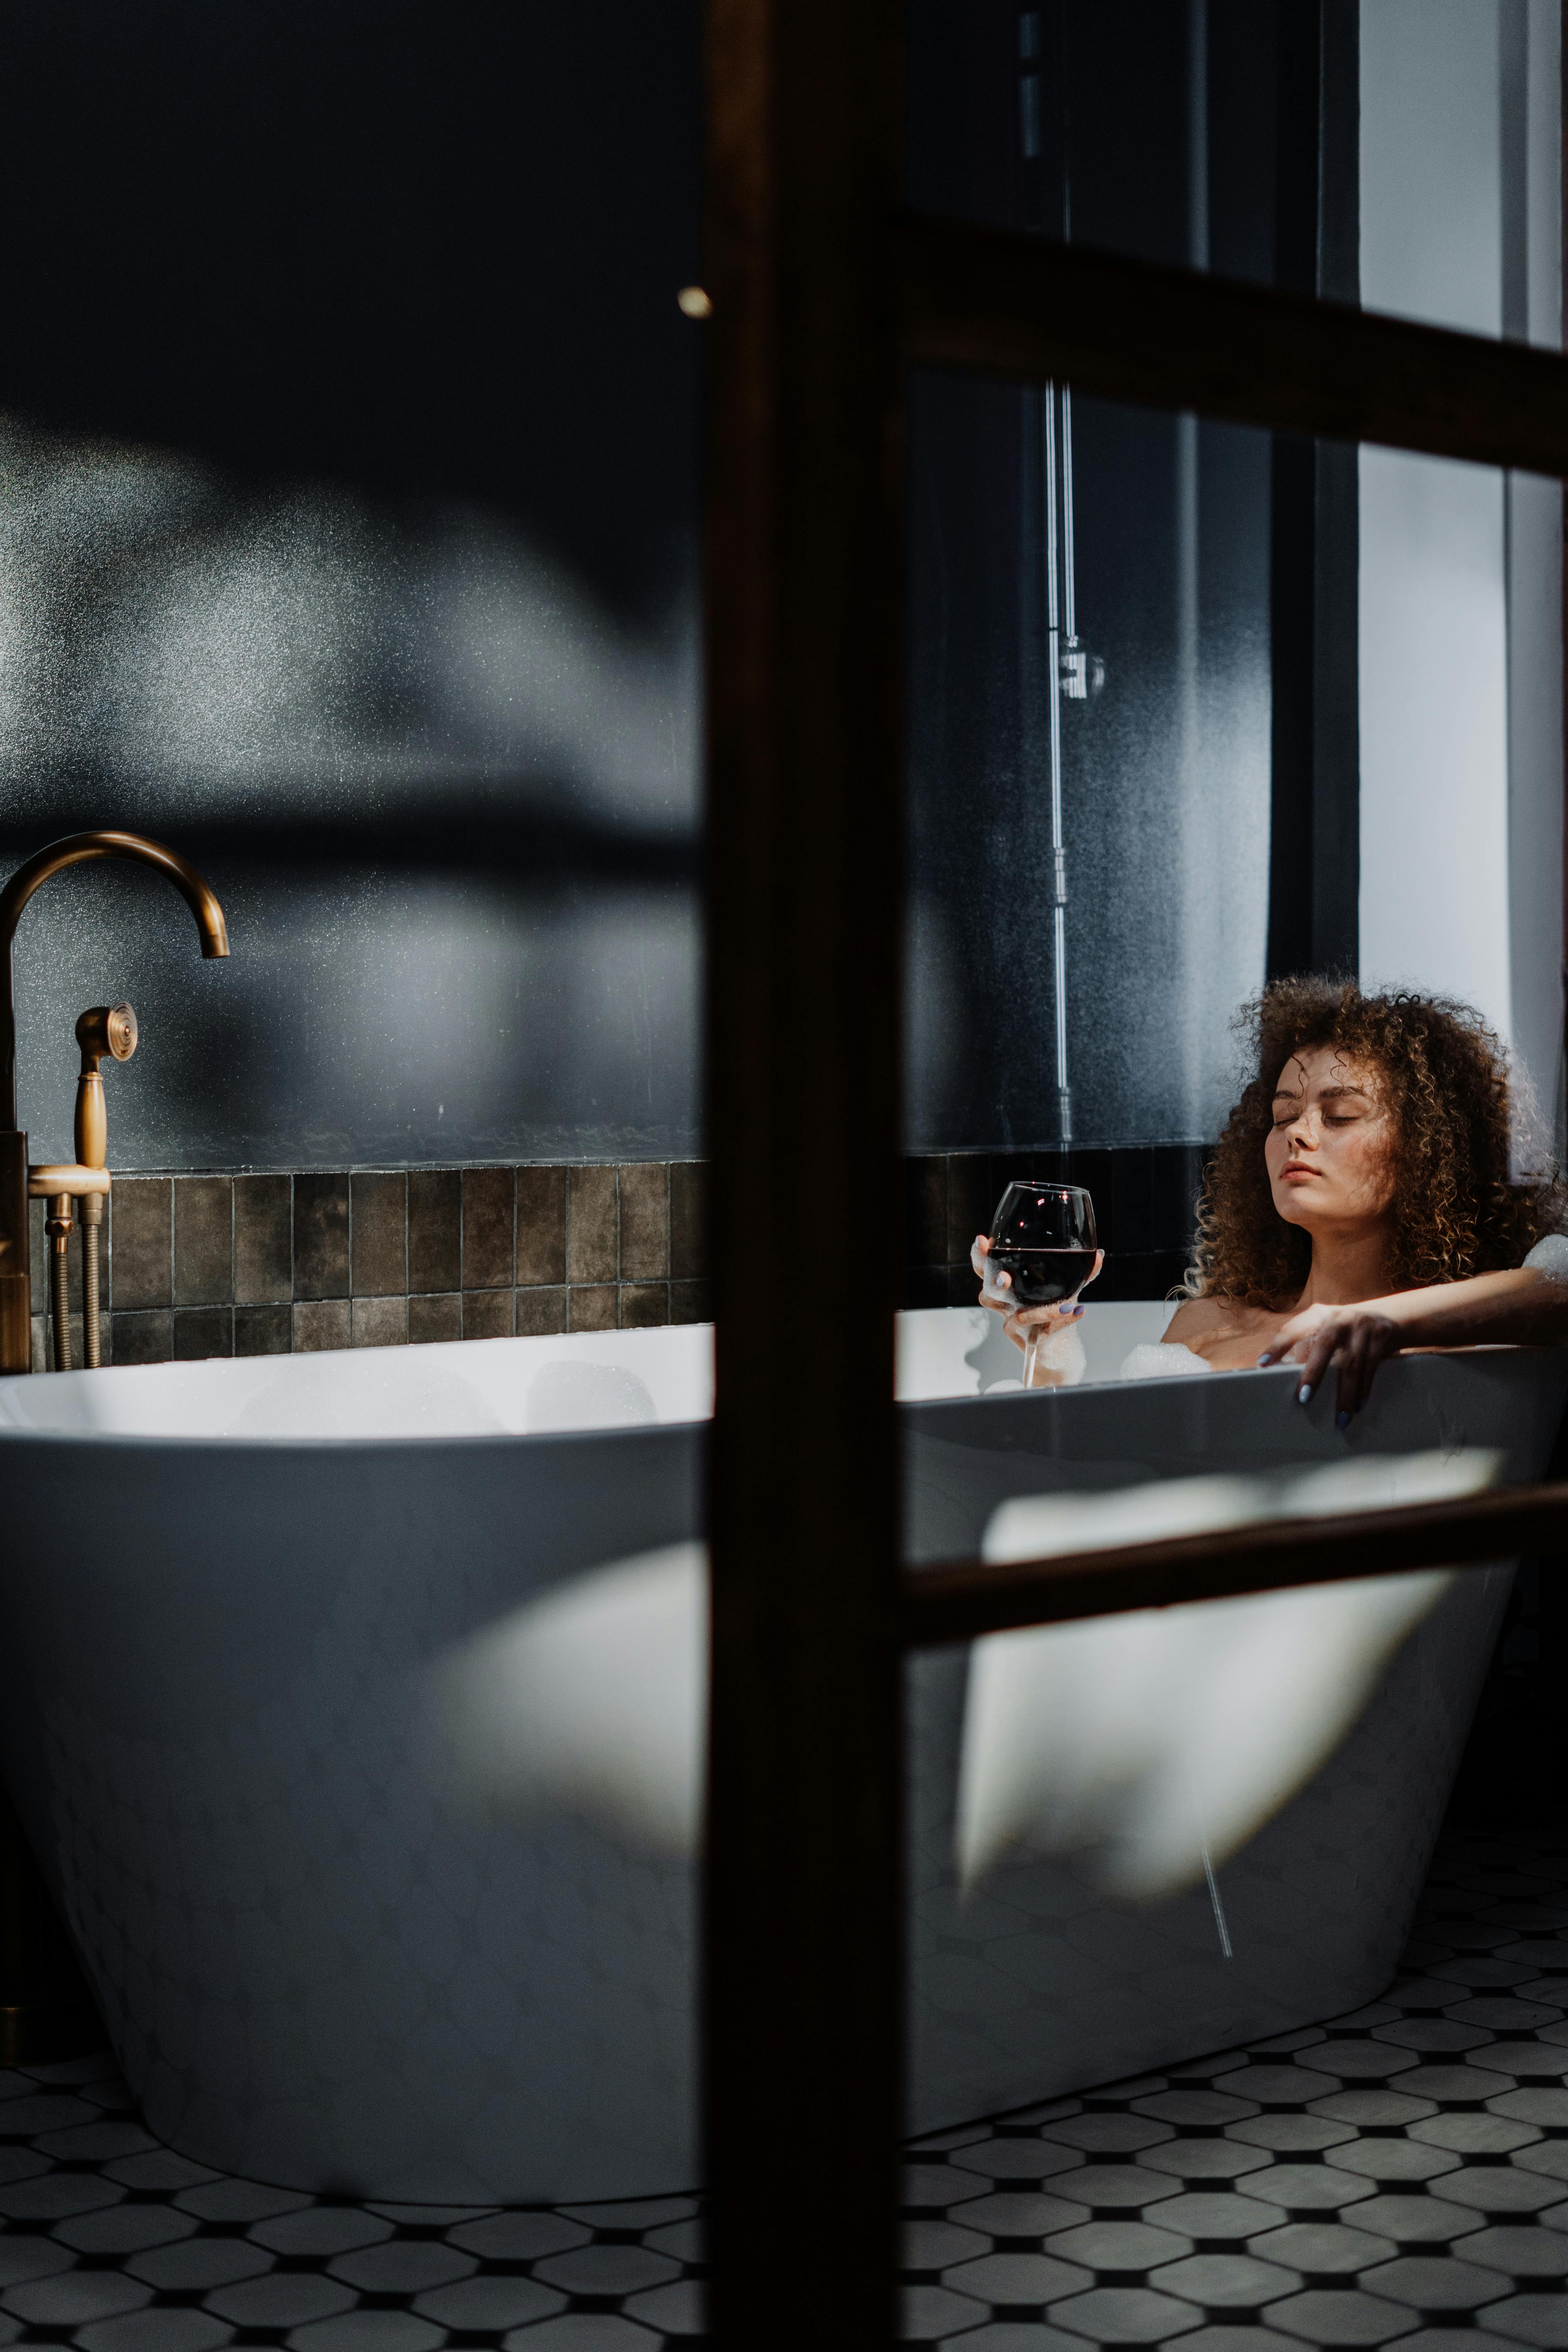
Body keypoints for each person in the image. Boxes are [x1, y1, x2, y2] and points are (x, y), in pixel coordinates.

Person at [974, 980, 1568, 1423]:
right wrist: (1050, 1354)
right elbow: (1104, 1471)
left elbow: (1559, 1288)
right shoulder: (1205, 1324)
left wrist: (1385, 1320)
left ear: (1428, 1148)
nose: (1297, 1133)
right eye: (1283, 1115)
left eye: (1338, 1115)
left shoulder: (1465, 1337)